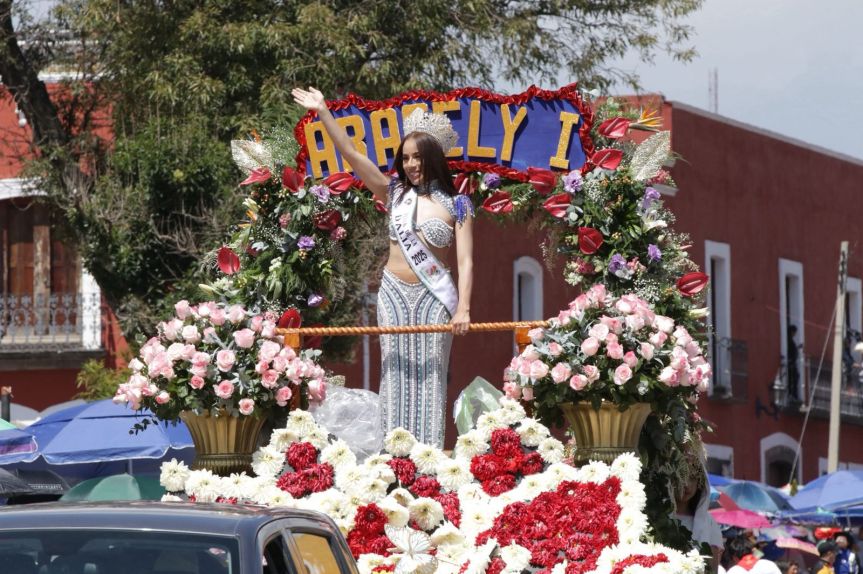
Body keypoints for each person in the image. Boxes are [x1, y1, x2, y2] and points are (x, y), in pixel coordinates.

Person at [291, 87, 474, 447]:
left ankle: (427, 457)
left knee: (430, 374)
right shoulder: (394, 194)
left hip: (434, 296)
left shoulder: (459, 205)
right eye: (405, 158)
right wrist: (324, 111)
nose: (411, 165)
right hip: (392, 293)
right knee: (394, 371)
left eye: (418, 157)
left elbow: (467, 260)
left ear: (433, 158)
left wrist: (464, 307)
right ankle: (393, 456)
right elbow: (352, 154)